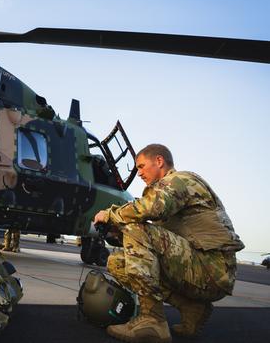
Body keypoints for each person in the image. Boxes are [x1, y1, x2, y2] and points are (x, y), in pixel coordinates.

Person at [93, 144, 244, 342]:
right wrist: (116, 233)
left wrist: (111, 215)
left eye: (141, 166)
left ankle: (152, 321)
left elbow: (151, 210)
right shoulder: (168, 193)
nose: (138, 173)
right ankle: (192, 309)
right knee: (117, 263)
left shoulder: (179, 180)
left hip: (213, 270)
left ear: (159, 161)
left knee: (134, 228)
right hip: (199, 269)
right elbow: (148, 246)